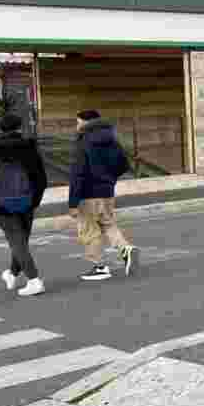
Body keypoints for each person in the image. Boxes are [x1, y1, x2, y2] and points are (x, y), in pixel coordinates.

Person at [0, 114, 49, 297]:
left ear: (1, 129)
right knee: (21, 240)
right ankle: (12, 273)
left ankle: (34, 280)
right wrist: (34, 200)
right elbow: (41, 179)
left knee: (17, 240)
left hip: (2, 203)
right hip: (27, 201)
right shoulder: (30, 148)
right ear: (20, 127)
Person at [68, 110, 137, 281]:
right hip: (107, 191)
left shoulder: (83, 141)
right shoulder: (111, 138)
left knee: (89, 229)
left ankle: (100, 267)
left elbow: (78, 173)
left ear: (86, 123)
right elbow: (123, 164)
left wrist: (73, 202)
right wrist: (109, 179)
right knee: (108, 223)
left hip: (88, 193)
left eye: (78, 122)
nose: (76, 126)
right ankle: (125, 248)